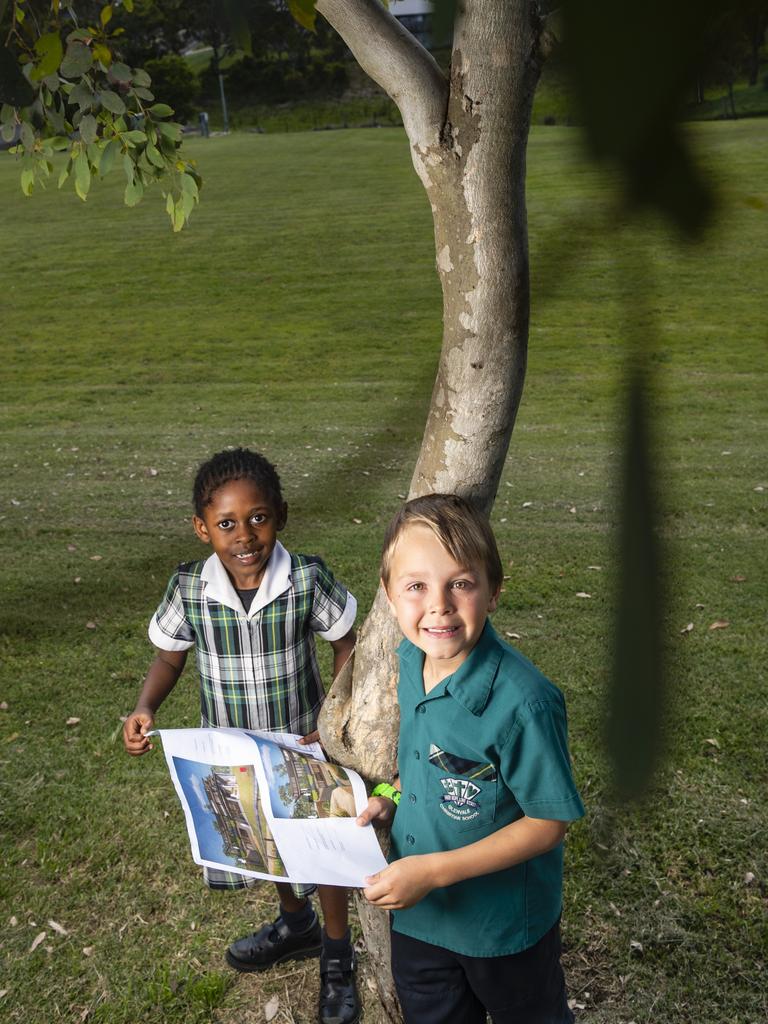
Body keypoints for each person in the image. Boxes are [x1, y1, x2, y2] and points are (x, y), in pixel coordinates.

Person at [123, 447, 360, 1024]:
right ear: (203, 529)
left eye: (258, 518)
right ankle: (296, 925)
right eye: (226, 524)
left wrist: (336, 710)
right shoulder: (189, 588)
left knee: (320, 845)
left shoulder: (306, 577)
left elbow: (346, 642)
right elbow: (169, 658)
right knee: (264, 842)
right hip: (231, 746)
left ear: (280, 514)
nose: (244, 535)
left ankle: (336, 955)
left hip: (303, 741)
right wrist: (144, 707)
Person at [357, 493, 585, 1024]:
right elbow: (424, 760)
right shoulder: (411, 661)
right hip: (421, 920)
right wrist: (391, 797)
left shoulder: (526, 702)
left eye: (460, 583)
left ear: (493, 591)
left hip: (502, 932)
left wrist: (434, 871)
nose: (438, 604)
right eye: (416, 586)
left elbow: (549, 822)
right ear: (390, 598)